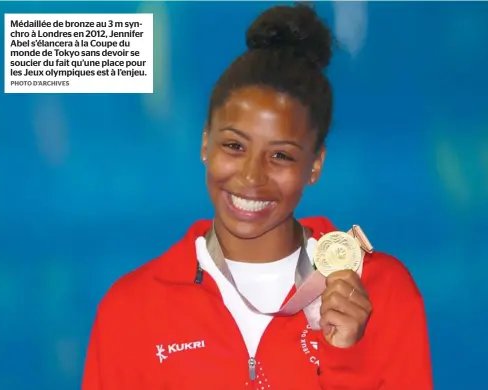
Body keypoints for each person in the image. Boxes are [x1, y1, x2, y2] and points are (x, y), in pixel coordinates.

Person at [82, 4, 432, 389]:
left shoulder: (383, 292)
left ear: (314, 165)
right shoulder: (130, 310)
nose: (251, 176)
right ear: (204, 143)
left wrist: (348, 357)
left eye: (280, 155)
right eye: (233, 146)